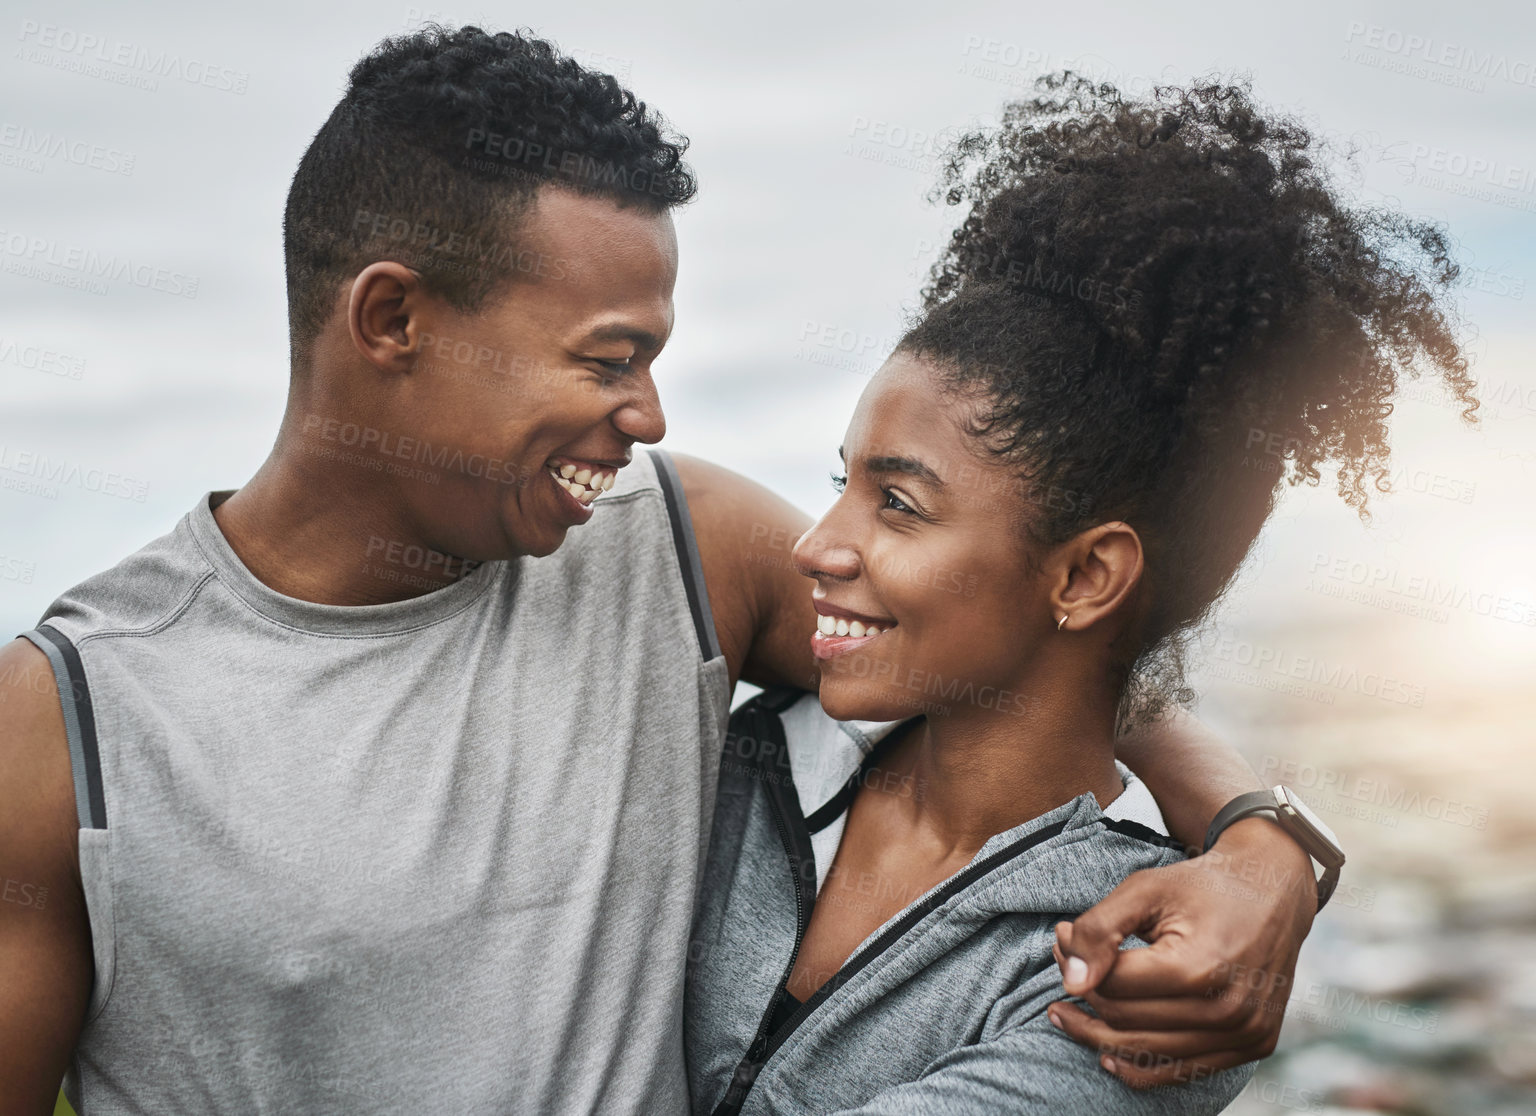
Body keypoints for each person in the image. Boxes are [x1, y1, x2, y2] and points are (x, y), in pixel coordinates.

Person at [0, 29, 1323, 1115]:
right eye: (604, 358)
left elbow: (1030, 655)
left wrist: (1262, 846)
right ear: (393, 319)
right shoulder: (69, 718)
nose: (647, 416)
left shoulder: (684, 550)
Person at [683, 73, 1476, 1114]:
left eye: (900, 505)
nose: (816, 546)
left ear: (1085, 576)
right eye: (843, 483)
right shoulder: (726, 753)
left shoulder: (1149, 982)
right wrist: (1266, 835)